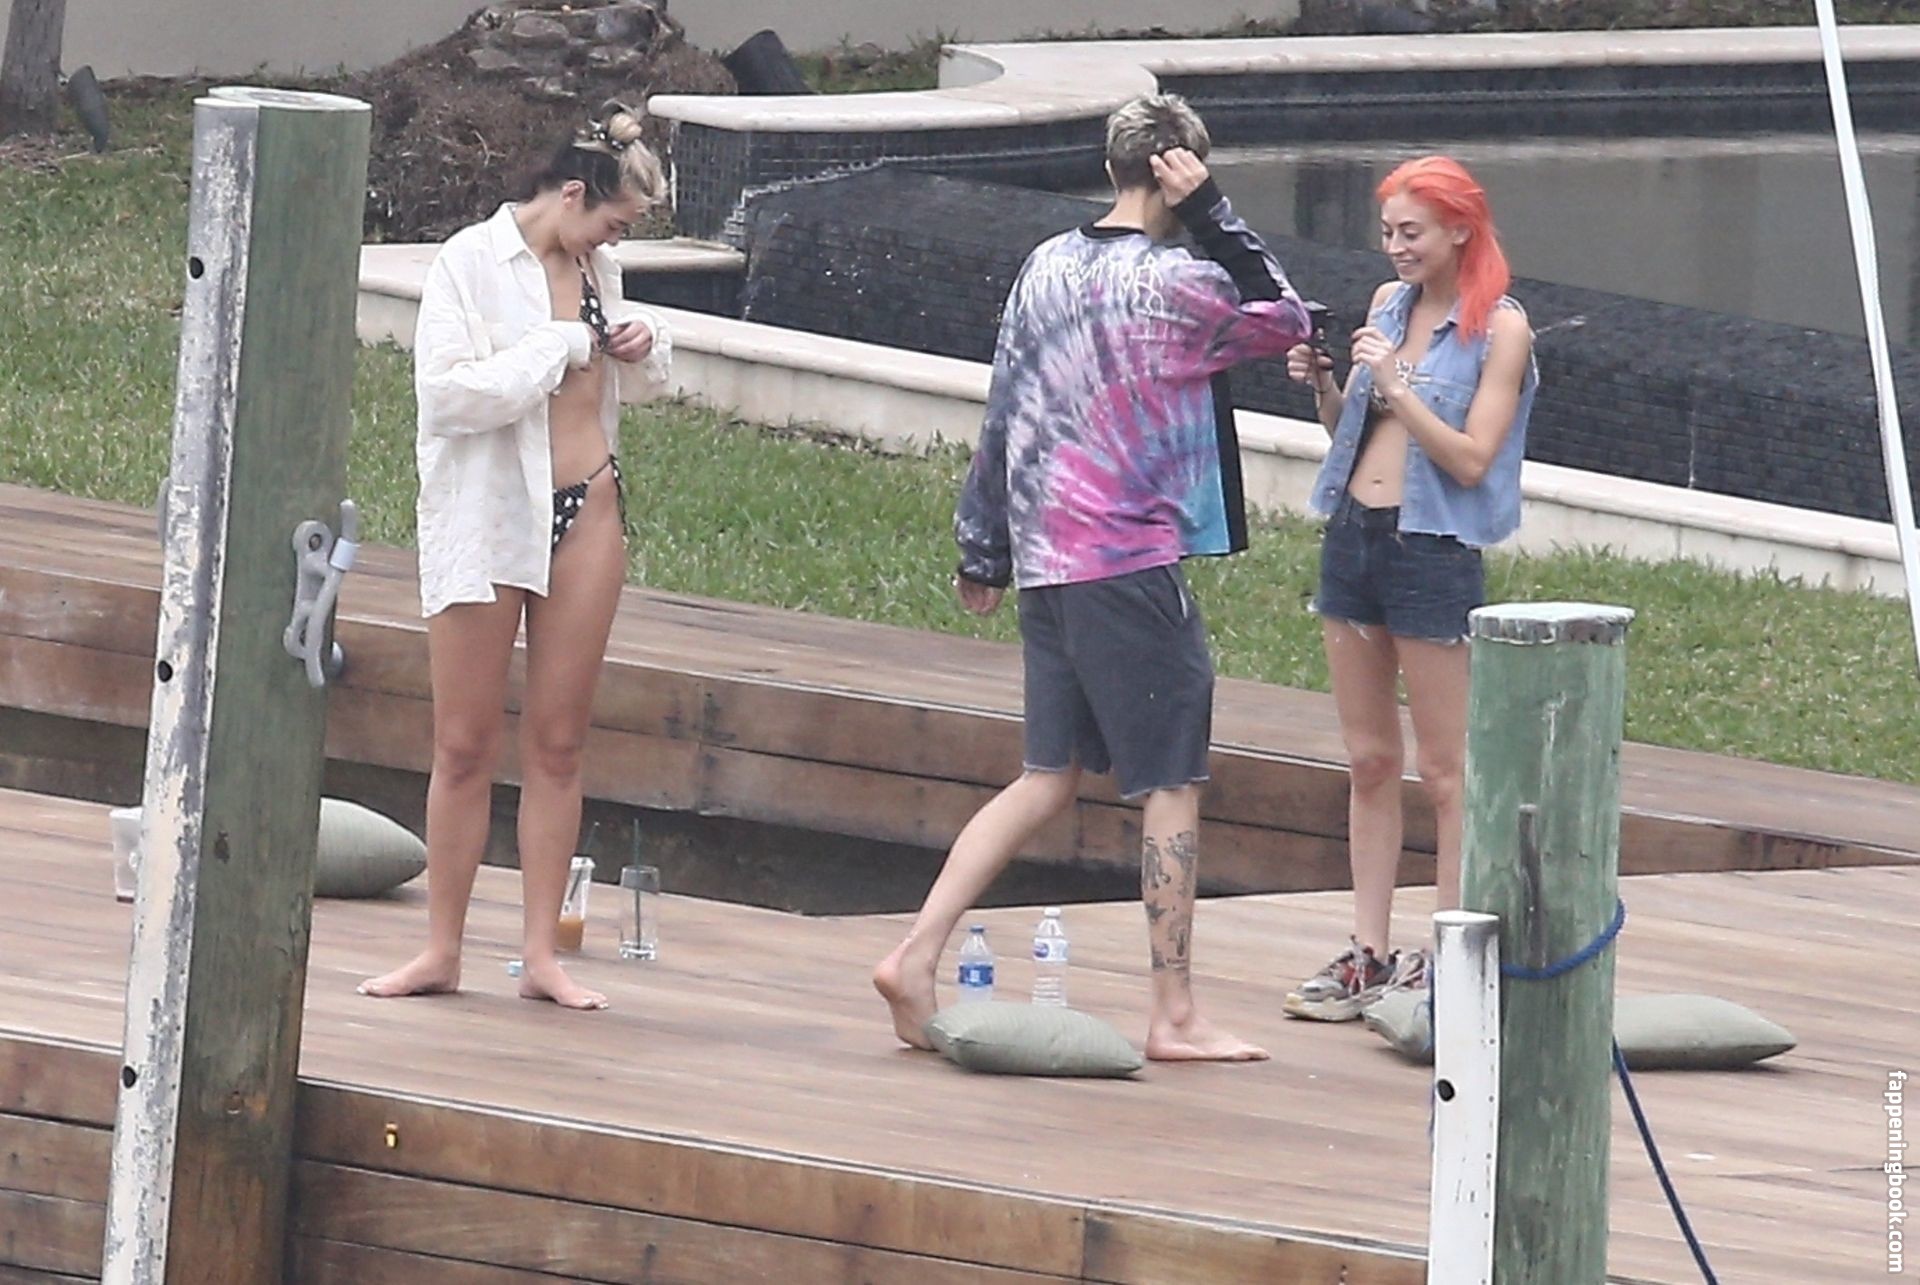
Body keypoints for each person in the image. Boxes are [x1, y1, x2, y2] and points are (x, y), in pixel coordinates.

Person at [873, 94, 1311, 1062]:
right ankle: (1175, 1011)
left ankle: (915, 951)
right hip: (1129, 561)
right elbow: (1288, 320)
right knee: (1171, 782)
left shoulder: (1043, 265)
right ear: (1176, 172)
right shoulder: (1183, 281)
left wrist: (982, 544)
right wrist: (1214, 212)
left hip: (1046, 559)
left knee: (1047, 776)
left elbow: (1005, 406)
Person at [360, 106, 672, 1010]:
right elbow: (448, 399)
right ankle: (441, 948)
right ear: (573, 193)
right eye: (614, 222)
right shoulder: (469, 262)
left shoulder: (598, 269)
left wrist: (644, 345)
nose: (616, 241)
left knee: (559, 742)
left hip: (588, 507)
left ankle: (542, 953)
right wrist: (554, 346)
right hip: (489, 514)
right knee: (463, 743)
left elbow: (630, 384)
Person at [1281, 155, 1536, 1022]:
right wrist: (1327, 383)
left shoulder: (1500, 329)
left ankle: (1448, 951)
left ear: (1460, 228)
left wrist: (1395, 382)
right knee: (1368, 757)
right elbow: (1350, 432)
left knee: (1445, 767)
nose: (1395, 247)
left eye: (1412, 232)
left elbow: (1470, 457)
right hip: (1354, 535)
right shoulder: (1388, 307)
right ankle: (1367, 949)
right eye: (1387, 231)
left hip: (1432, 546)